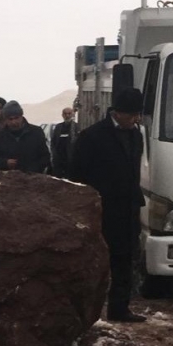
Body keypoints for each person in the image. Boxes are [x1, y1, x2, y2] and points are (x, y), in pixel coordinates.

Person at [69, 87, 146, 323]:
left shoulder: (136, 135)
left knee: (125, 260)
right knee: (98, 261)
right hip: (103, 209)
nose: (135, 120)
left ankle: (119, 308)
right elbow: (77, 174)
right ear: (118, 113)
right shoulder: (93, 136)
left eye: (137, 116)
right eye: (132, 115)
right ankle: (86, 312)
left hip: (128, 208)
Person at [0, 100, 52, 174]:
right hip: (7, 179)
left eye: (16, 118)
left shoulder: (36, 132)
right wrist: (5, 162)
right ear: (5, 119)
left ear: (21, 116)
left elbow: (45, 157)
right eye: (10, 119)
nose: (14, 122)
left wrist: (32, 170)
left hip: (32, 179)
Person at [50, 106, 78, 178]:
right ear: (62, 115)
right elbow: (53, 141)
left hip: (70, 160)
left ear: (72, 115)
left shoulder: (76, 127)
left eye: (69, 113)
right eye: (65, 114)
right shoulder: (58, 127)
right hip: (58, 160)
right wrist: (54, 154)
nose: (67, 116)